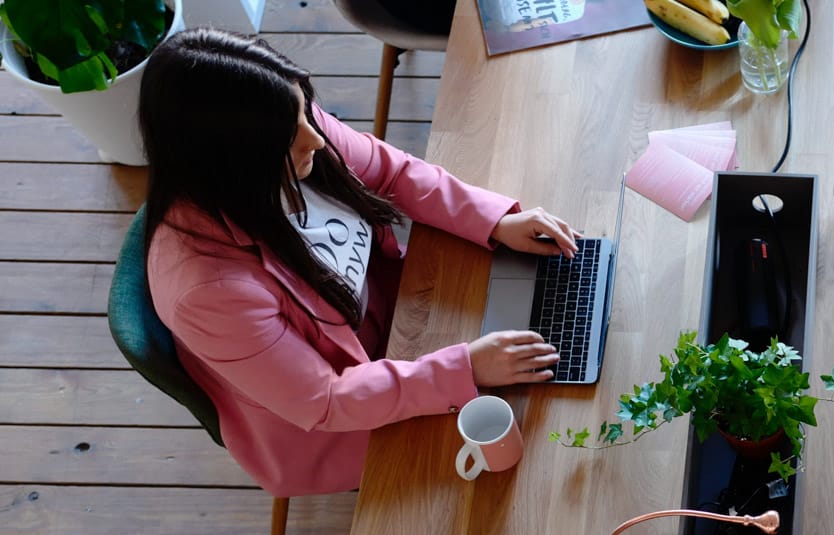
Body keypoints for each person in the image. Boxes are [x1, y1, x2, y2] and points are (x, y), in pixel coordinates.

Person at [140, 29, 580, 498]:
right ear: (232, 161)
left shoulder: (284, 129)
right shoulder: (206, 293)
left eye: (306, 111)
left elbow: (391, 172)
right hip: (333, 422)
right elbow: (326, 400)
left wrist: (494, 221)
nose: (317, 137)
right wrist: (464, 368)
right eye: (294, 134)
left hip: (399, 321)